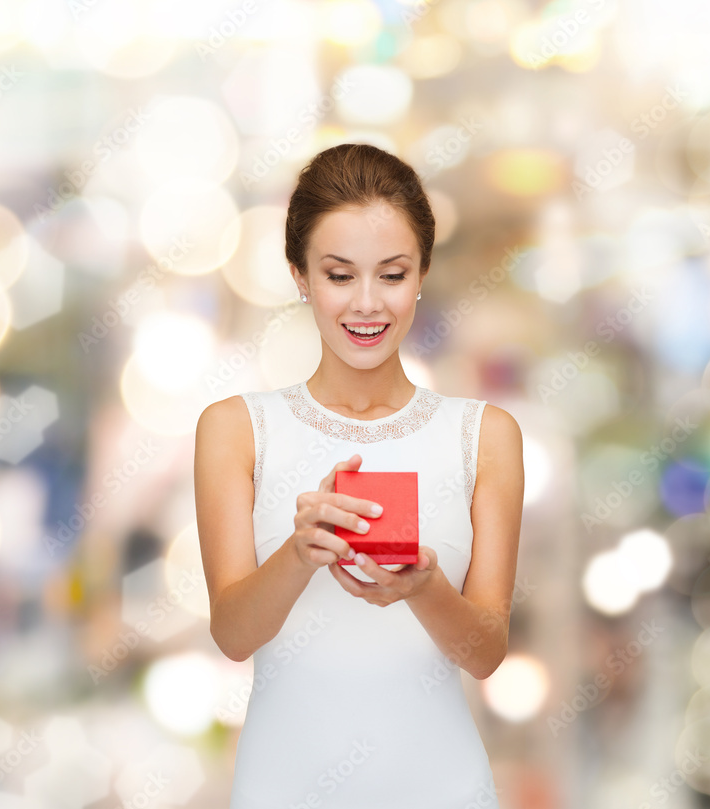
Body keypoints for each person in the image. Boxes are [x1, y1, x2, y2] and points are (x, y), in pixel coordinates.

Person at [195, 143, 524, 808]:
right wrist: (297, 553)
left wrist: (425, 586)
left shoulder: (484, 436)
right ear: (300, 275)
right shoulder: (235, 429)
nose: (367, 304)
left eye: (393, 274)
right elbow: (233, 633)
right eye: (340, 275)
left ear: (423, 272)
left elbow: (485, 653)